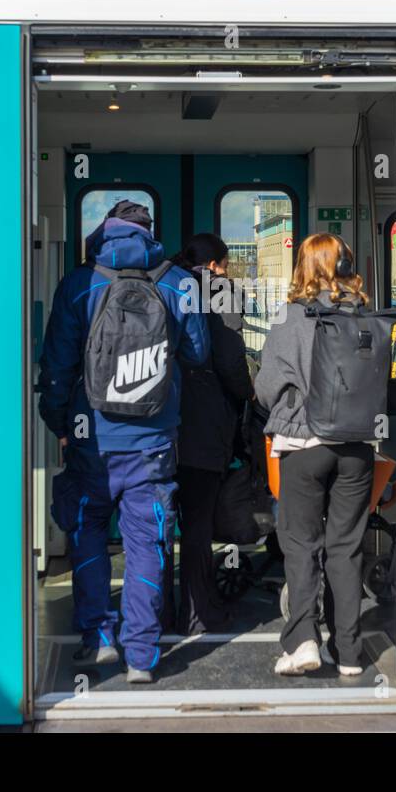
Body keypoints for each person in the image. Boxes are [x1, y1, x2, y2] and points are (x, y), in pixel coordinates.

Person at [38, 200, 209, 683]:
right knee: (146, 541)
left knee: (87, 527)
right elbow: (197, 354)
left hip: (90, 435)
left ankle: (97, 638)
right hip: (153, 437)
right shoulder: (179, 283)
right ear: (150, 233)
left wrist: (60, 425)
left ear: (104, 231)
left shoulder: (79, 283)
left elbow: (56, 367)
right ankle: (141, 655)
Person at [254, 233, 375, 678]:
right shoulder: (362, 314)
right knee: (346, 549)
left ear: (304, 266)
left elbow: (267, 388)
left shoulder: (292, 318)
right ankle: (349, 655)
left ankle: (304, 640)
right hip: (357, 447)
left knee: (302, 545)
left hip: (305, 446)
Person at [171, 233, 255, 635]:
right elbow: (229, 360)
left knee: (153, 521)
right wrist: (248, 396)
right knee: (198, 523)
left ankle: (151, 611)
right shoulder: (220, 289)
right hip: (203, 423)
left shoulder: (164, 281)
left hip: (157, 421)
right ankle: (196, 610)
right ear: (218, 264)